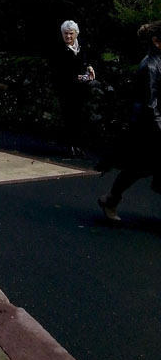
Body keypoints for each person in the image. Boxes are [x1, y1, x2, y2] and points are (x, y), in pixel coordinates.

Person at [97, 20, 161, 221]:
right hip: (148, 127)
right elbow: (150, 104)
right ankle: (111, 199)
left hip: (153, 124)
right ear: (157, 41)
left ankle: (110, 199)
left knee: (138, 169)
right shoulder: (149, 66)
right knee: (137, 168)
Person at [49, 20, 95, 157]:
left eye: (71, 34)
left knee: (80, 117)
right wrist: (76, 77)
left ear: (76, 33)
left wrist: (89, 67)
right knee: (69, 117)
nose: (68, 37)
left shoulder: (82, 44)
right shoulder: (57, 48)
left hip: (81, 88)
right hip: (65, 88)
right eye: (65, 34)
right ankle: (71, 146)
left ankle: (79, 145)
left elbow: (86, 59)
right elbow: (57, 71)